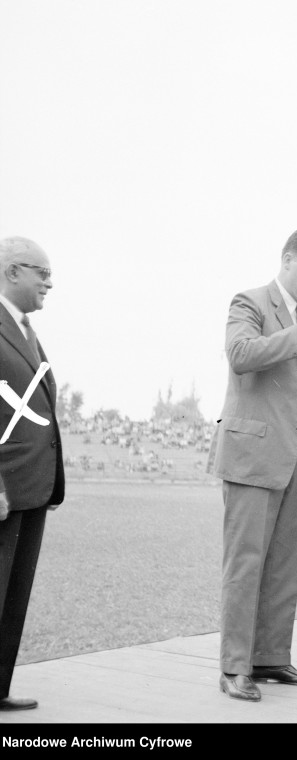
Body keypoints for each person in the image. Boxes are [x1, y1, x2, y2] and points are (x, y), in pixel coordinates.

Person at [207, 227, 297, 703]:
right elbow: (240, 356)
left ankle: (269, 657)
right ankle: (234, 667)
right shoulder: (251, 302)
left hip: (292, 457)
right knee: (245, 564)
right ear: (287, 260)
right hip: (252, 456)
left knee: (282, 564)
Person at [0, 236, 64, 712]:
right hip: (4, 485)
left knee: (13, 594)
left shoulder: (23, 329)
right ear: (11, 271)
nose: (49, 283)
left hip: (32, 486)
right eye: (40, 273)